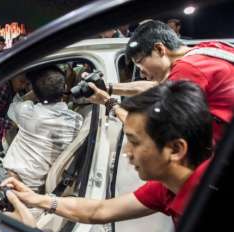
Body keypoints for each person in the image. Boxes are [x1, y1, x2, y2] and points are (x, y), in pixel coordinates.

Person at [2, 81, 213, 228]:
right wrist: (37, 199)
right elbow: (100, 211)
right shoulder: (166, 188)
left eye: (134, 142)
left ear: (176, 150)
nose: (126, 153)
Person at [90, 20, 234, 143]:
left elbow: (149, 133)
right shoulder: (208, 49)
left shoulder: (188, 69)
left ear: (159, 49)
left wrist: (109, 102)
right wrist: (109, 87)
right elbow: (157, 86)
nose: (141, 73)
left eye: (140, 64)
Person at [3, 67, 83, 191]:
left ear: (34, 91)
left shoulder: (26, 111)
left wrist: (35, 93)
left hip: (12, 181)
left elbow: (14, 105)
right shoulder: (77, 120)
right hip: (40, 186)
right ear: (65, 88)